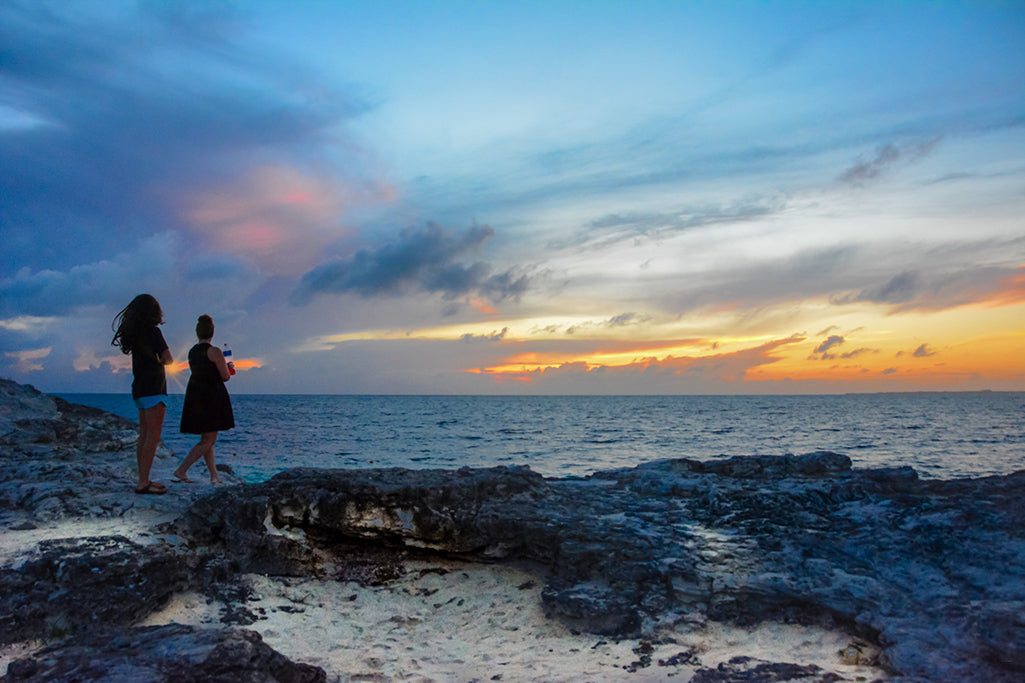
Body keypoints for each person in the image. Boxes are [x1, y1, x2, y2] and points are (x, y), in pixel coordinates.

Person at [111, 293, 173, 495]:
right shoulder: (154, 332)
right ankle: (143, 483)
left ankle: (143, 479)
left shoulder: (134, 335)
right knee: (153, 436)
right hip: (155, 387)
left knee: (144, 435)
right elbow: (168, 359)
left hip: (139, 388)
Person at [174, 314, 234, 484]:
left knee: (207, 439)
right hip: (212, 396)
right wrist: (229, 368)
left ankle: (214, 476)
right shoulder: (214, 351)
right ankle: (181, 470)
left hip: (196, 395)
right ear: (212, 332)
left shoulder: (192, 351)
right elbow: (225, 376)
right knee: (209, 440)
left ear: (197, 332)